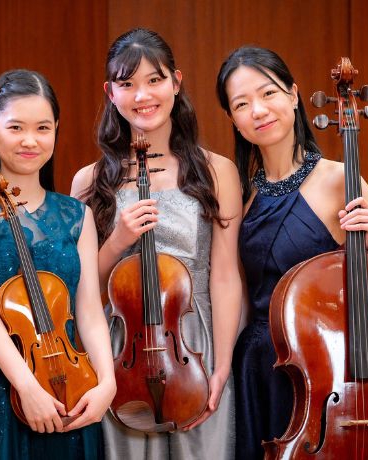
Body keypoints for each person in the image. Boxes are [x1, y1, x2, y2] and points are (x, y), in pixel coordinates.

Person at [215, 46, 368, 459]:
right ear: (233, 120)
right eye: (242, 104)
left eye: (268, 93)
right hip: (259, 367)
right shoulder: (243, 196)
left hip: (326, 366)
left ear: (293, 95)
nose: (258, 110)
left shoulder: (338, 178)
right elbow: (237, 290)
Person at [71, 28, 242, 459]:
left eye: (154, 80)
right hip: (123, 347)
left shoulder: (217, 171)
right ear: (110, 93)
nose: (142, 95)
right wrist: (118, 241)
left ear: (176, 82)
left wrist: (222, 365)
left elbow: (224, 276)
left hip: (194, 341)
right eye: (127, 84)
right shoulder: (90, 180)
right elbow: (82, 287)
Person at [0, 69, 116, 460]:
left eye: (42, 128)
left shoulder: (78, 214)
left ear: (56, 129)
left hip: (71, 385)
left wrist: (106, 382)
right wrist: (26, 386)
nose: (30, 140)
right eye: (16, 127)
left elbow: (89, 311)